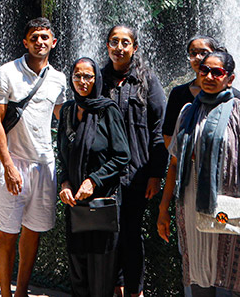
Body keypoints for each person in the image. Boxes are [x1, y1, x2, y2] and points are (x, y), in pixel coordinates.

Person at [157, 50, 240, 296]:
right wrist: (163, 208)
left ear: (229, 79)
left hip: (231, 213)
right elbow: (175, 164)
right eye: (204, 71)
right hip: (191, 209)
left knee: (235, 278)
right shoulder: (187, 113)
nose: (209, 76)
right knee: (199, 278)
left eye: (217, 72)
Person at [0, 17, 69, 297]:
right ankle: (5, 294)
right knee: (8, 232)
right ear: (25, 42)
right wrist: (8, 165)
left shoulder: (59, 79)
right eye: (34, 37)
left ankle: (21, 291)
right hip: (14, 162)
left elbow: (63, 117)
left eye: (45, 37)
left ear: (53, 43)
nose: (39, 42)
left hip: (44, 163)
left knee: (33, 231)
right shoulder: (6, 73)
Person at [101, 25, 166, 297]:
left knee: (131, 232)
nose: (119, 47)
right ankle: (114, 288)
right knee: (108, 234)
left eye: (125, 42)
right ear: (107, 46)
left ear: (134, 48)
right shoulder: (98, 79)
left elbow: (160, 128)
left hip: (137, 173)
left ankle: (135, 291)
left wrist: (155, 174)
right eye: (114, 42)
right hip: (103, 173)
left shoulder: (147, 80)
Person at [57, 57, 131, 297]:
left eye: (88, 76)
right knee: (78, 268)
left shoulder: (107, 110)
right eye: (77, 76)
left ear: (96, 79)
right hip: (75, 203)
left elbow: (122, 156)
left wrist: (94, 180)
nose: (82, 81)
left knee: (101, 270)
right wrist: (65, 182)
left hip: (102, 203)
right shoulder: (68, 110)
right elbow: (61, 154)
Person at [162, 35, 240, 147]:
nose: (198, 57)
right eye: (193, 53)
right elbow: (168, 133)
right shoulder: (178, 93)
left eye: (204, 53)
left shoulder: (234, 95)